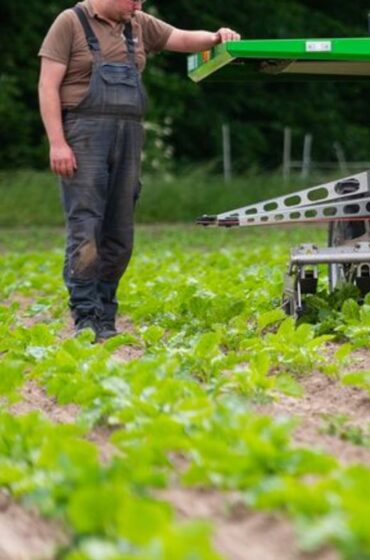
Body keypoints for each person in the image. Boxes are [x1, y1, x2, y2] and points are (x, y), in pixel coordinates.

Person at [38, 0, 240, 340]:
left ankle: (106, 313)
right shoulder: (70, 23)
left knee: (119, 234)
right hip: (84, 132)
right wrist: (57, 143)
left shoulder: (139, 23)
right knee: (86, 229)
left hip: (128, 133)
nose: (138, 4)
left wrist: (217, 37)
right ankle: (85, 317)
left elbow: (181, 38)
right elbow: (47, 86)